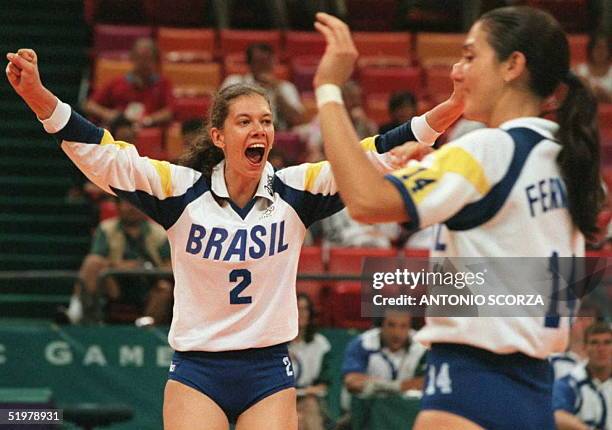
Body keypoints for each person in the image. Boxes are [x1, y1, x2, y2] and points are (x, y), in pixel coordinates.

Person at [6, 46, 465, 429]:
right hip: (198, 368)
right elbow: (105, 156)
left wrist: (451, 109)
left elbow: (377, 153)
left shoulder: (297, 190)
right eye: (244, 121)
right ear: (219, 136)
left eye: (265, 121)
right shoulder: (179, 190)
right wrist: (39, 97)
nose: (259, 129)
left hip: (267, 369)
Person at [313, 7, 603, 430]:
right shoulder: (565, 157)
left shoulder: (487, 150)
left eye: (470, 56)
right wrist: (438, 172)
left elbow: (365, 202)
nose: (457, 69)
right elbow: (539, 277)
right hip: (535, 384)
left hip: (470, 383)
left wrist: (328, 90)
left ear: (512, 65)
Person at [63, 198, 172, 325]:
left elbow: (170, 266)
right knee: (92, 263)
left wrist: (148, 269)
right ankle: (76, 313)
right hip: (115, 283)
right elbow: (97, 258)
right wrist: (120, 266)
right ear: (118, 206)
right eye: (127, 203)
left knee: (165, 288)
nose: (132, 208)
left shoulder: (159, 232)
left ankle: (145, 328)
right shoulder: (106, 228)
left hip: (148, 284)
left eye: (137, 204)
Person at [84, 37, 174, 128]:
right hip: (120, 130)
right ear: (132, 58)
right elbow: (90, 105)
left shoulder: (163, 84)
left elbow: (170, 111)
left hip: (148, 131)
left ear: (155, 60)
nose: (143, 63)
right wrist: (108, 114)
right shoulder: (117, 82)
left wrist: (149, 120)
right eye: (140, 58)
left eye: (148, 58)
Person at [342, 310, 427, 396]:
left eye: (403, 326)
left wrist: (377, 385)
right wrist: (398, 386)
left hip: (409, 407)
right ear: (380, 325)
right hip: (369, 406)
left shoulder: (423, 346)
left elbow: (428, 382)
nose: (396, 333)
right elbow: (352, 382)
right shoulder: (363, 343)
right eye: (391, 325)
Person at [221, 43, 304, 130]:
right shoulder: (234, 82)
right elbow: (220, 113)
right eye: (259, 62)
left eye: (267, 61)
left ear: (273, 62)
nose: (264, 66)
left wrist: (277, 91)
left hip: (276, 135)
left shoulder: (286, 87)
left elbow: (297, 120)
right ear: (249, 64)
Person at [552, 322, 611, 430]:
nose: (601, 349)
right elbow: (557, 417)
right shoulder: (569, 383)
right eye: (594, 343)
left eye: (607, 343)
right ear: (584, 347)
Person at [289, 293, 331, 430]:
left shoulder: (321, 344)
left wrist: (308, 391)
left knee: (309, 406)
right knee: (297, 418)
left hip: (308, 397)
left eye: (305, 309)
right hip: (281, 398)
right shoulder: (276, 343)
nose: (301, 314)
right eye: (297, 309)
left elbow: (324, 385)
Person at [574, 32, 612, 103]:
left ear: (609, 51)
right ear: (591, 50)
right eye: (597, 47)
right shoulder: (579, 70)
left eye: (604, 48)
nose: (600, 52)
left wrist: (605, 95)